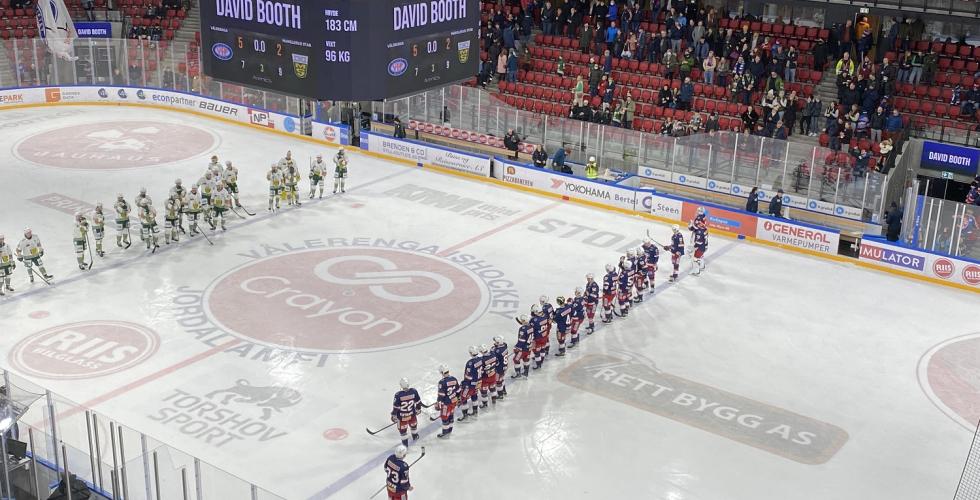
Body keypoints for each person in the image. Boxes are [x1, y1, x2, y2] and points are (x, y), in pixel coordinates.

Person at [390, 377, 421, 447]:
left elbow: (396, 407)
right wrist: (418, 409)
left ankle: (405, 445)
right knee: (414, 427)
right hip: (412, 415)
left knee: (403, 431)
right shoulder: (414, 391)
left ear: (401, 385)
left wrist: (394, 415)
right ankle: (415, 436)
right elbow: (418, 402)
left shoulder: (398, 395)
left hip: (402, 417)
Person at [435, 365, 459, 439]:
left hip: (446, 403)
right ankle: (450, 429)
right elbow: (458, 390)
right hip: (453, 401)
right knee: (451, 414)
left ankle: (445, 433)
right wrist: (457, 398)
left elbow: (441, 396)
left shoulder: (442, 382)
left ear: (442, 372)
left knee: (444, 417)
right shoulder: (454, 379)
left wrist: (438, 404)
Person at [689, 210, 708, 276]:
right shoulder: (705, 229)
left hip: (700, 247)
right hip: (704, 246)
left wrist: (694, 247)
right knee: (701, 256)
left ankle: (696, 271)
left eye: (698, 223)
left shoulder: (699, 232)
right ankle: (702, 266)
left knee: (695, 259)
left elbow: (698, 241)